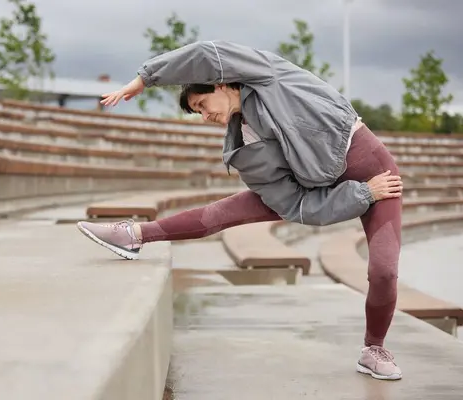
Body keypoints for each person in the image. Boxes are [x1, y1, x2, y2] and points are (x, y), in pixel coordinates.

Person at [76, 40, 404, 381]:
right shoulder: (243, 149)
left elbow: (205, 54)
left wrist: (145, 78)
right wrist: (360, 195)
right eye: (198, 113)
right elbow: (297, 205)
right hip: (319, 187)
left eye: (202, 104)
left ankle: (373, 348)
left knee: (383, 271)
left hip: (373, 171)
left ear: (221, 83)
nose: (205, 117)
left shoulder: (265, 77)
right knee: (224, 212)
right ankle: (134, 235)